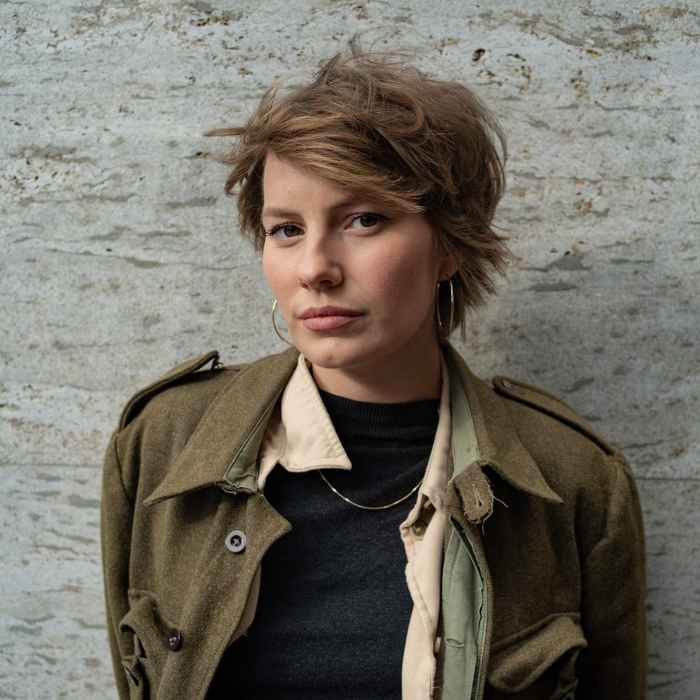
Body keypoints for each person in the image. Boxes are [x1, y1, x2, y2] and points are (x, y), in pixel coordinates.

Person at [100, 46, 647, 700]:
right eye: (286, 230)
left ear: (448, 244)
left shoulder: (574, 483)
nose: (315, 268)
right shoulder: (162, 446)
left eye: (364, 220)